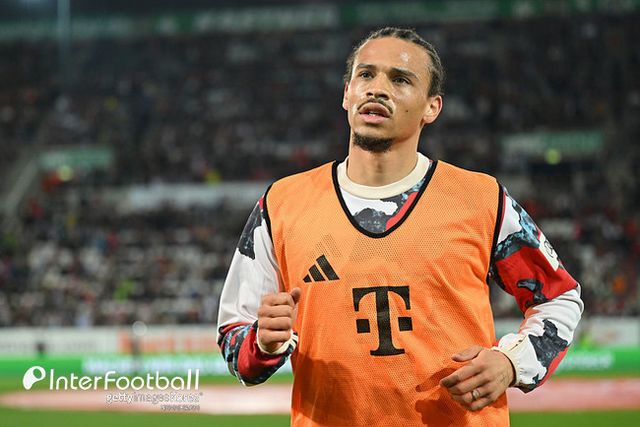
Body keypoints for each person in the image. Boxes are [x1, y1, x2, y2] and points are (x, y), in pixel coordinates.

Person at [216, 27, 583, 426]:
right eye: (365, 74)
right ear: (346, 94)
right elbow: (235, 336)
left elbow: (559, 297)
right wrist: (264, 343)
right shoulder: (281, 204)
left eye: (400, 79)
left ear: (432, 108)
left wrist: (511, 362)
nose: (377, 89)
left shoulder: (481, 199)